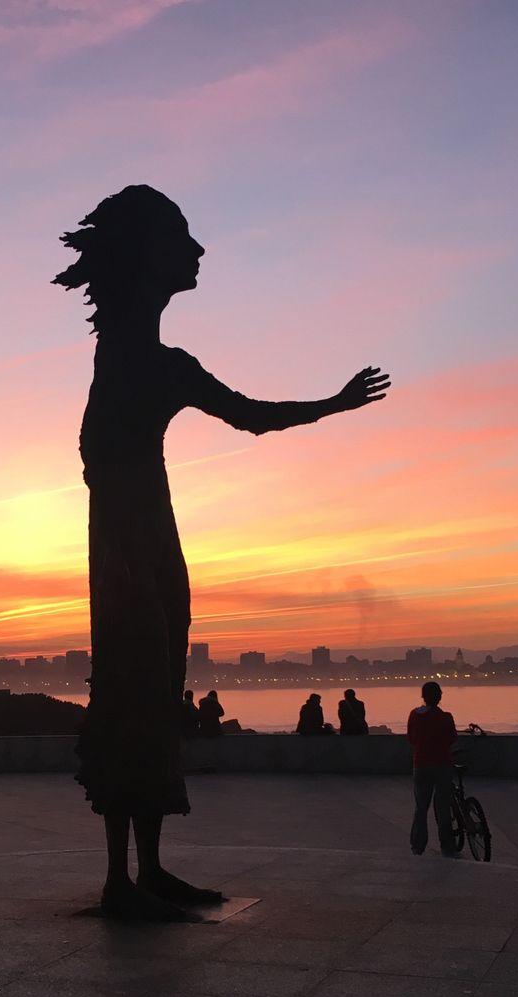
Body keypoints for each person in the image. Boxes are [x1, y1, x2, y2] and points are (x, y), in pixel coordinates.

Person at [53, 183, 391, 921]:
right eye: (181, 235)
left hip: (146, 548)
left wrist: (332, 404)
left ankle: (145, 870)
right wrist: (333, 405)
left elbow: (247, 417)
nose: (198, 250)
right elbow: (239, 421)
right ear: (147, 255)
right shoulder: (138, 360)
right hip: (129, 554)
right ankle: (123, 878)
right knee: (131, 689)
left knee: (152, 689)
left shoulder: (151, 360)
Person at [407, 681, 459, 857]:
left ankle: (417, 845)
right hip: (442, 764)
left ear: (423, 696)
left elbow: (411, 738)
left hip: (421, 764)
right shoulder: (446, 717)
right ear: (439, 697)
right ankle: (447, 846)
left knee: (421, 807)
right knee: (443, 807)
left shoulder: (414, 715)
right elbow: (452, 738)